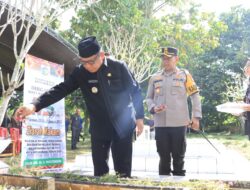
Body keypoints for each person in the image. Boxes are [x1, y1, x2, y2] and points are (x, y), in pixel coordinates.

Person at [15, 36, 144, 177]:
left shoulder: (118, 67)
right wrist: (34, 105)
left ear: (101, 55)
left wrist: (140, 118)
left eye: (91, 62)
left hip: (123, 125)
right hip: (99, 127)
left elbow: (135, 91)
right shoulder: (80, 72)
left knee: (123, 172)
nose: (87, 66)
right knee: (100, 173)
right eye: (83, 62)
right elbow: (61, 89)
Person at [145, 47, 202, 176]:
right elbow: (148, 98)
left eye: (168, 58)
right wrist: (153, 107)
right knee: (163, 158)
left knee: (179, 158)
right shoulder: (154, 77)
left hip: (179, 123)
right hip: (160, 124)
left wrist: (196, 117)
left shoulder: (184, 75)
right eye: (163, 58)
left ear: (176, 59)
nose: (165, 61)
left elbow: (195, 96)